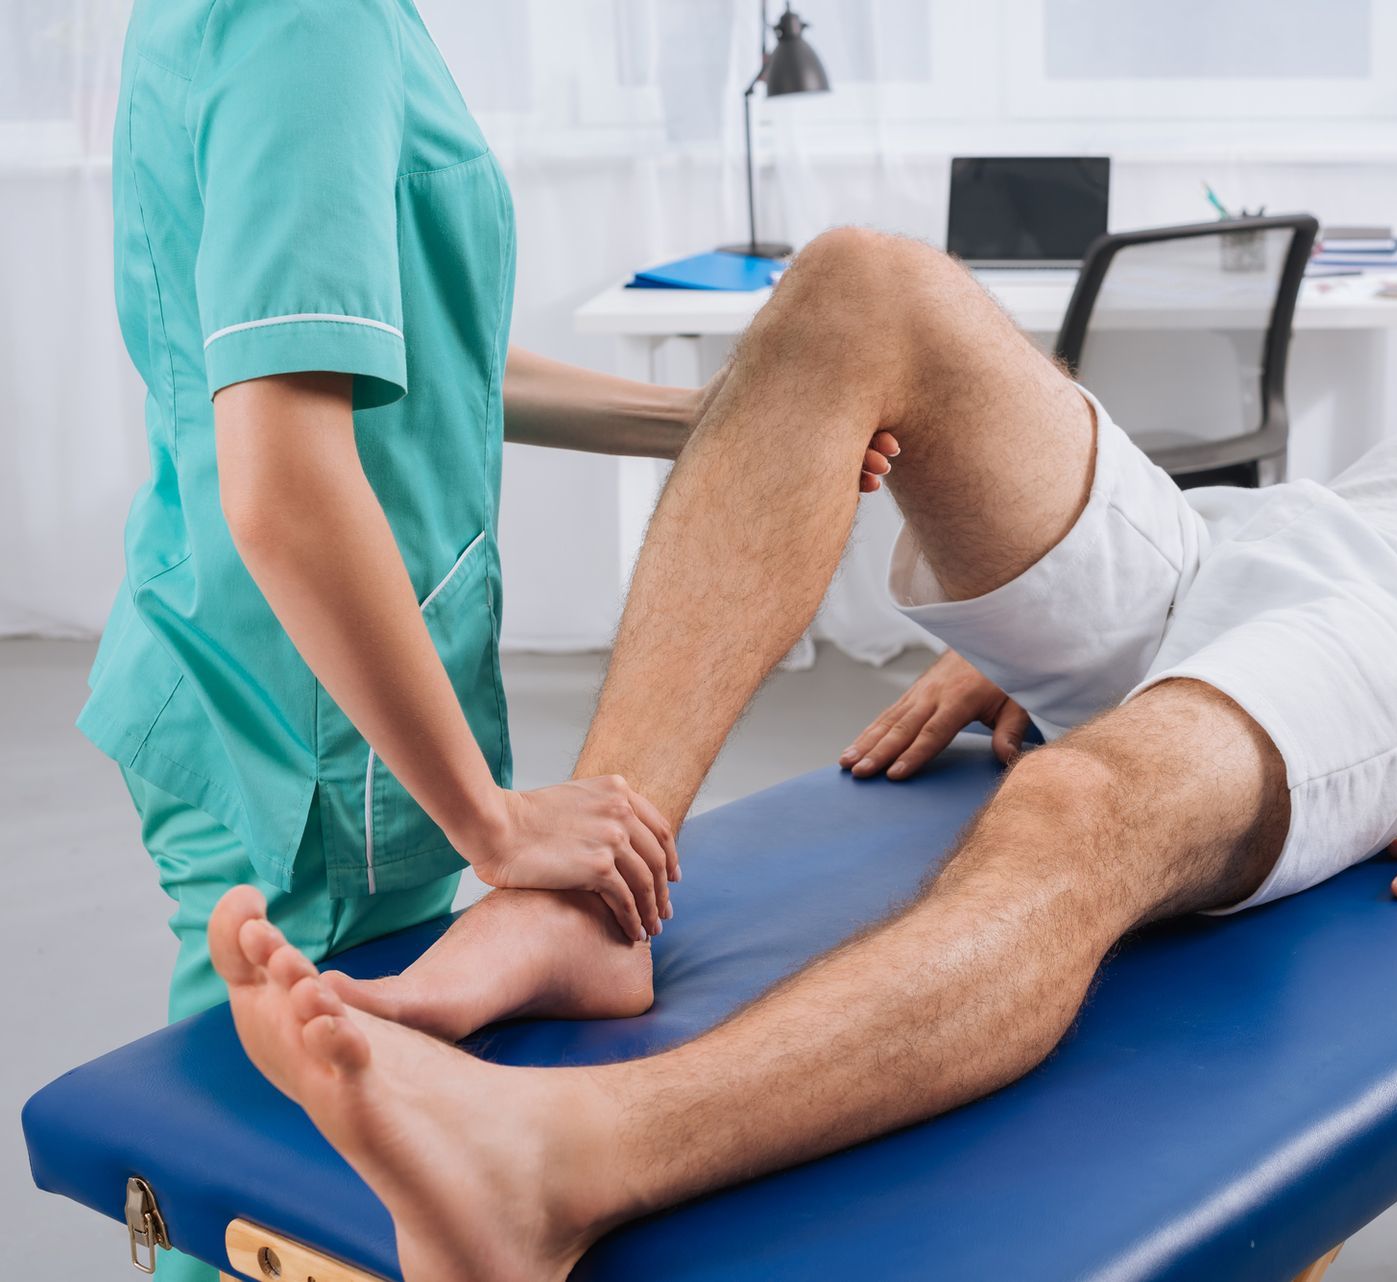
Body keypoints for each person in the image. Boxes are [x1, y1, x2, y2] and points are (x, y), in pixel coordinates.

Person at [205, 227, 1397, 1281]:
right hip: (1234, 553)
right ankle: (593, 904)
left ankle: (560, 1167)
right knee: (867, 286)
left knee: (1075, 802)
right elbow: (1262, 546)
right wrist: (997, 638)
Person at [86, 8, 888, 1279]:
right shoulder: (311, 21)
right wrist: (491, 823)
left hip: (220, 661)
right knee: (283, 1191)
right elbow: (283, 478)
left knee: (277, 1132)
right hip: (305, 727)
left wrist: (706, 423)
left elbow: (400, 343)